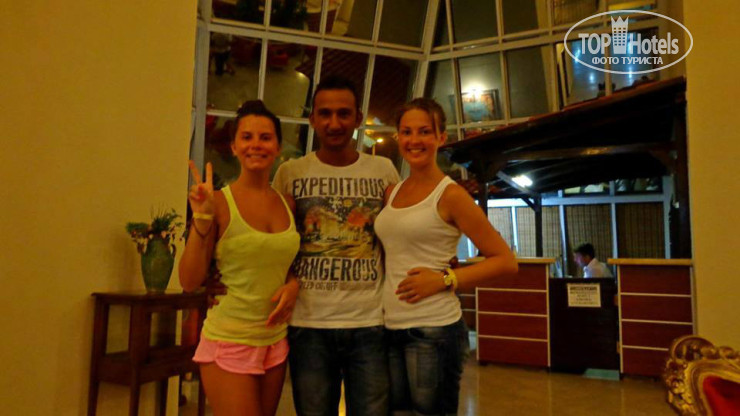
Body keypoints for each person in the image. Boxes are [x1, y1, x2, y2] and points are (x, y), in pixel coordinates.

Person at [374, 98, 519, 415]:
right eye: (407, 132)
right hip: (390, 325)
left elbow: (505, 261)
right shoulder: (393, 192)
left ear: (441, 137)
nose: (414, 140)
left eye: (425, 131)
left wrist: (445, 279)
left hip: (434, 329)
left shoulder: (451, 195)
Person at [271, 75, 400, 415]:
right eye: (325, 113)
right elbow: (276, 244)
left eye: (343, 113)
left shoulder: (383, 170)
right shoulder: (290, 173)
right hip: (308, 324)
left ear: (358, 118)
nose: (334, 123)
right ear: (312, 118)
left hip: (370, 323)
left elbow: (399, 236)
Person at [179, 100, 300, 416]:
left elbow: (281, 264)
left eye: (265, 137)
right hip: (229, 339)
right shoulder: (219, 202)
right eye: (247, 137)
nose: (256, 144)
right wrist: (201, 218)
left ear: (277, 146)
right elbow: (189, 281)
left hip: (275, 340)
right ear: (233, 146)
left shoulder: (287, 203)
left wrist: (293, 285)